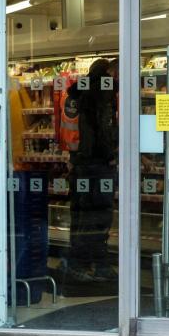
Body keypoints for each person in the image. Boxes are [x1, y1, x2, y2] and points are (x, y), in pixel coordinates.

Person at [63, 58, 119, 289]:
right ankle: (97, 265)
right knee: (99, 216)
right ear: (108, 72)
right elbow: (103, 129)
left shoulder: (75, 93)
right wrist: (112, 153)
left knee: (81, 215)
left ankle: (79, 264)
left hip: (79, 163)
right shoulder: (102, 93)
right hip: (97, 163)